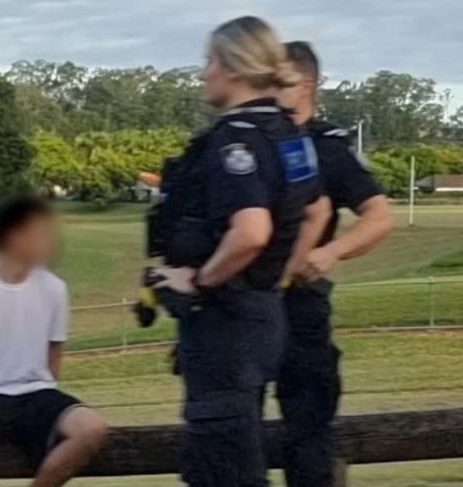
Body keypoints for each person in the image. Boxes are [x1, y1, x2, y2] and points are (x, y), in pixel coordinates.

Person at [151, 17, 329, 487]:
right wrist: (276, 277)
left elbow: (251, 232)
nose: (202, 73)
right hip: (264, 316)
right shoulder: (288, 134)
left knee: (223, 469)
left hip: (225, 326)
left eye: (209, 61)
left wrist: (201, 280)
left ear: (234, 67)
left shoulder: (237, 139)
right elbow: (316, 210)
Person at [276, 41, 394, 487]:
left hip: (300, 304)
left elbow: (379, 218)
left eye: (278, 78)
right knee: (233, 431)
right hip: (244, 302)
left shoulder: (328, 147)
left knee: (308, 430)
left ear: (305, 83)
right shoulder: (250, 137)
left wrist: (327, 253)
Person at [0, 195, 108, 487]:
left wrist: (44, 391)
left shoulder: (55, 289)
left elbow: (54, 355)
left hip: (36, 393)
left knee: (93, 429)